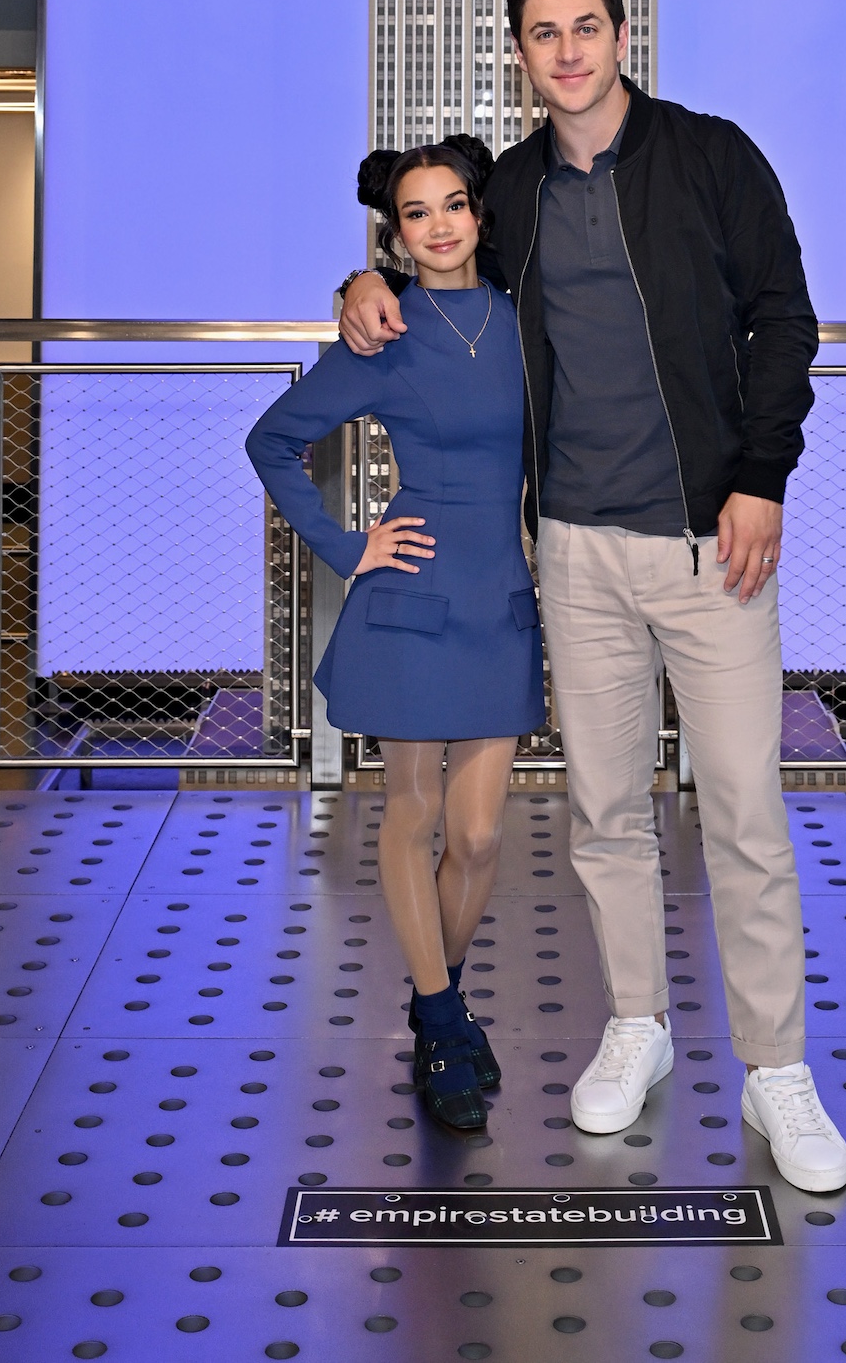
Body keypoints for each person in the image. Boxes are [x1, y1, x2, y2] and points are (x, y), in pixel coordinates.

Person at [339, 0, 846, 1194]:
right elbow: (434, 273)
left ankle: (778, 1070)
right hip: (570, 550)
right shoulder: (506, 193)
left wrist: (761, 476)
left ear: (623, 35)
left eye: (585, 27)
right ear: (520, 55)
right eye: (541, 33)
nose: (565, 50)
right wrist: (355, 280)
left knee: (740, 810)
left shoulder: (711, 156)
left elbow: (786, 317)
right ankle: (640, 1025)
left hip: (710, 545)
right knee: (605, 816)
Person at [246, 137, 543, 1135]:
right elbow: (273, 440)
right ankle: (446, 1025)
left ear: (480, 214)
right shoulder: (381, 334)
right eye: (418, 213)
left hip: (499, 597)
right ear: (395, 233)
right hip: (410, 599)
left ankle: (437, 999)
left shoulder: (523, 318)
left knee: (481, 832)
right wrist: (345, 543)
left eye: (455, 204)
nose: (442, 224)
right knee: (412, 816)